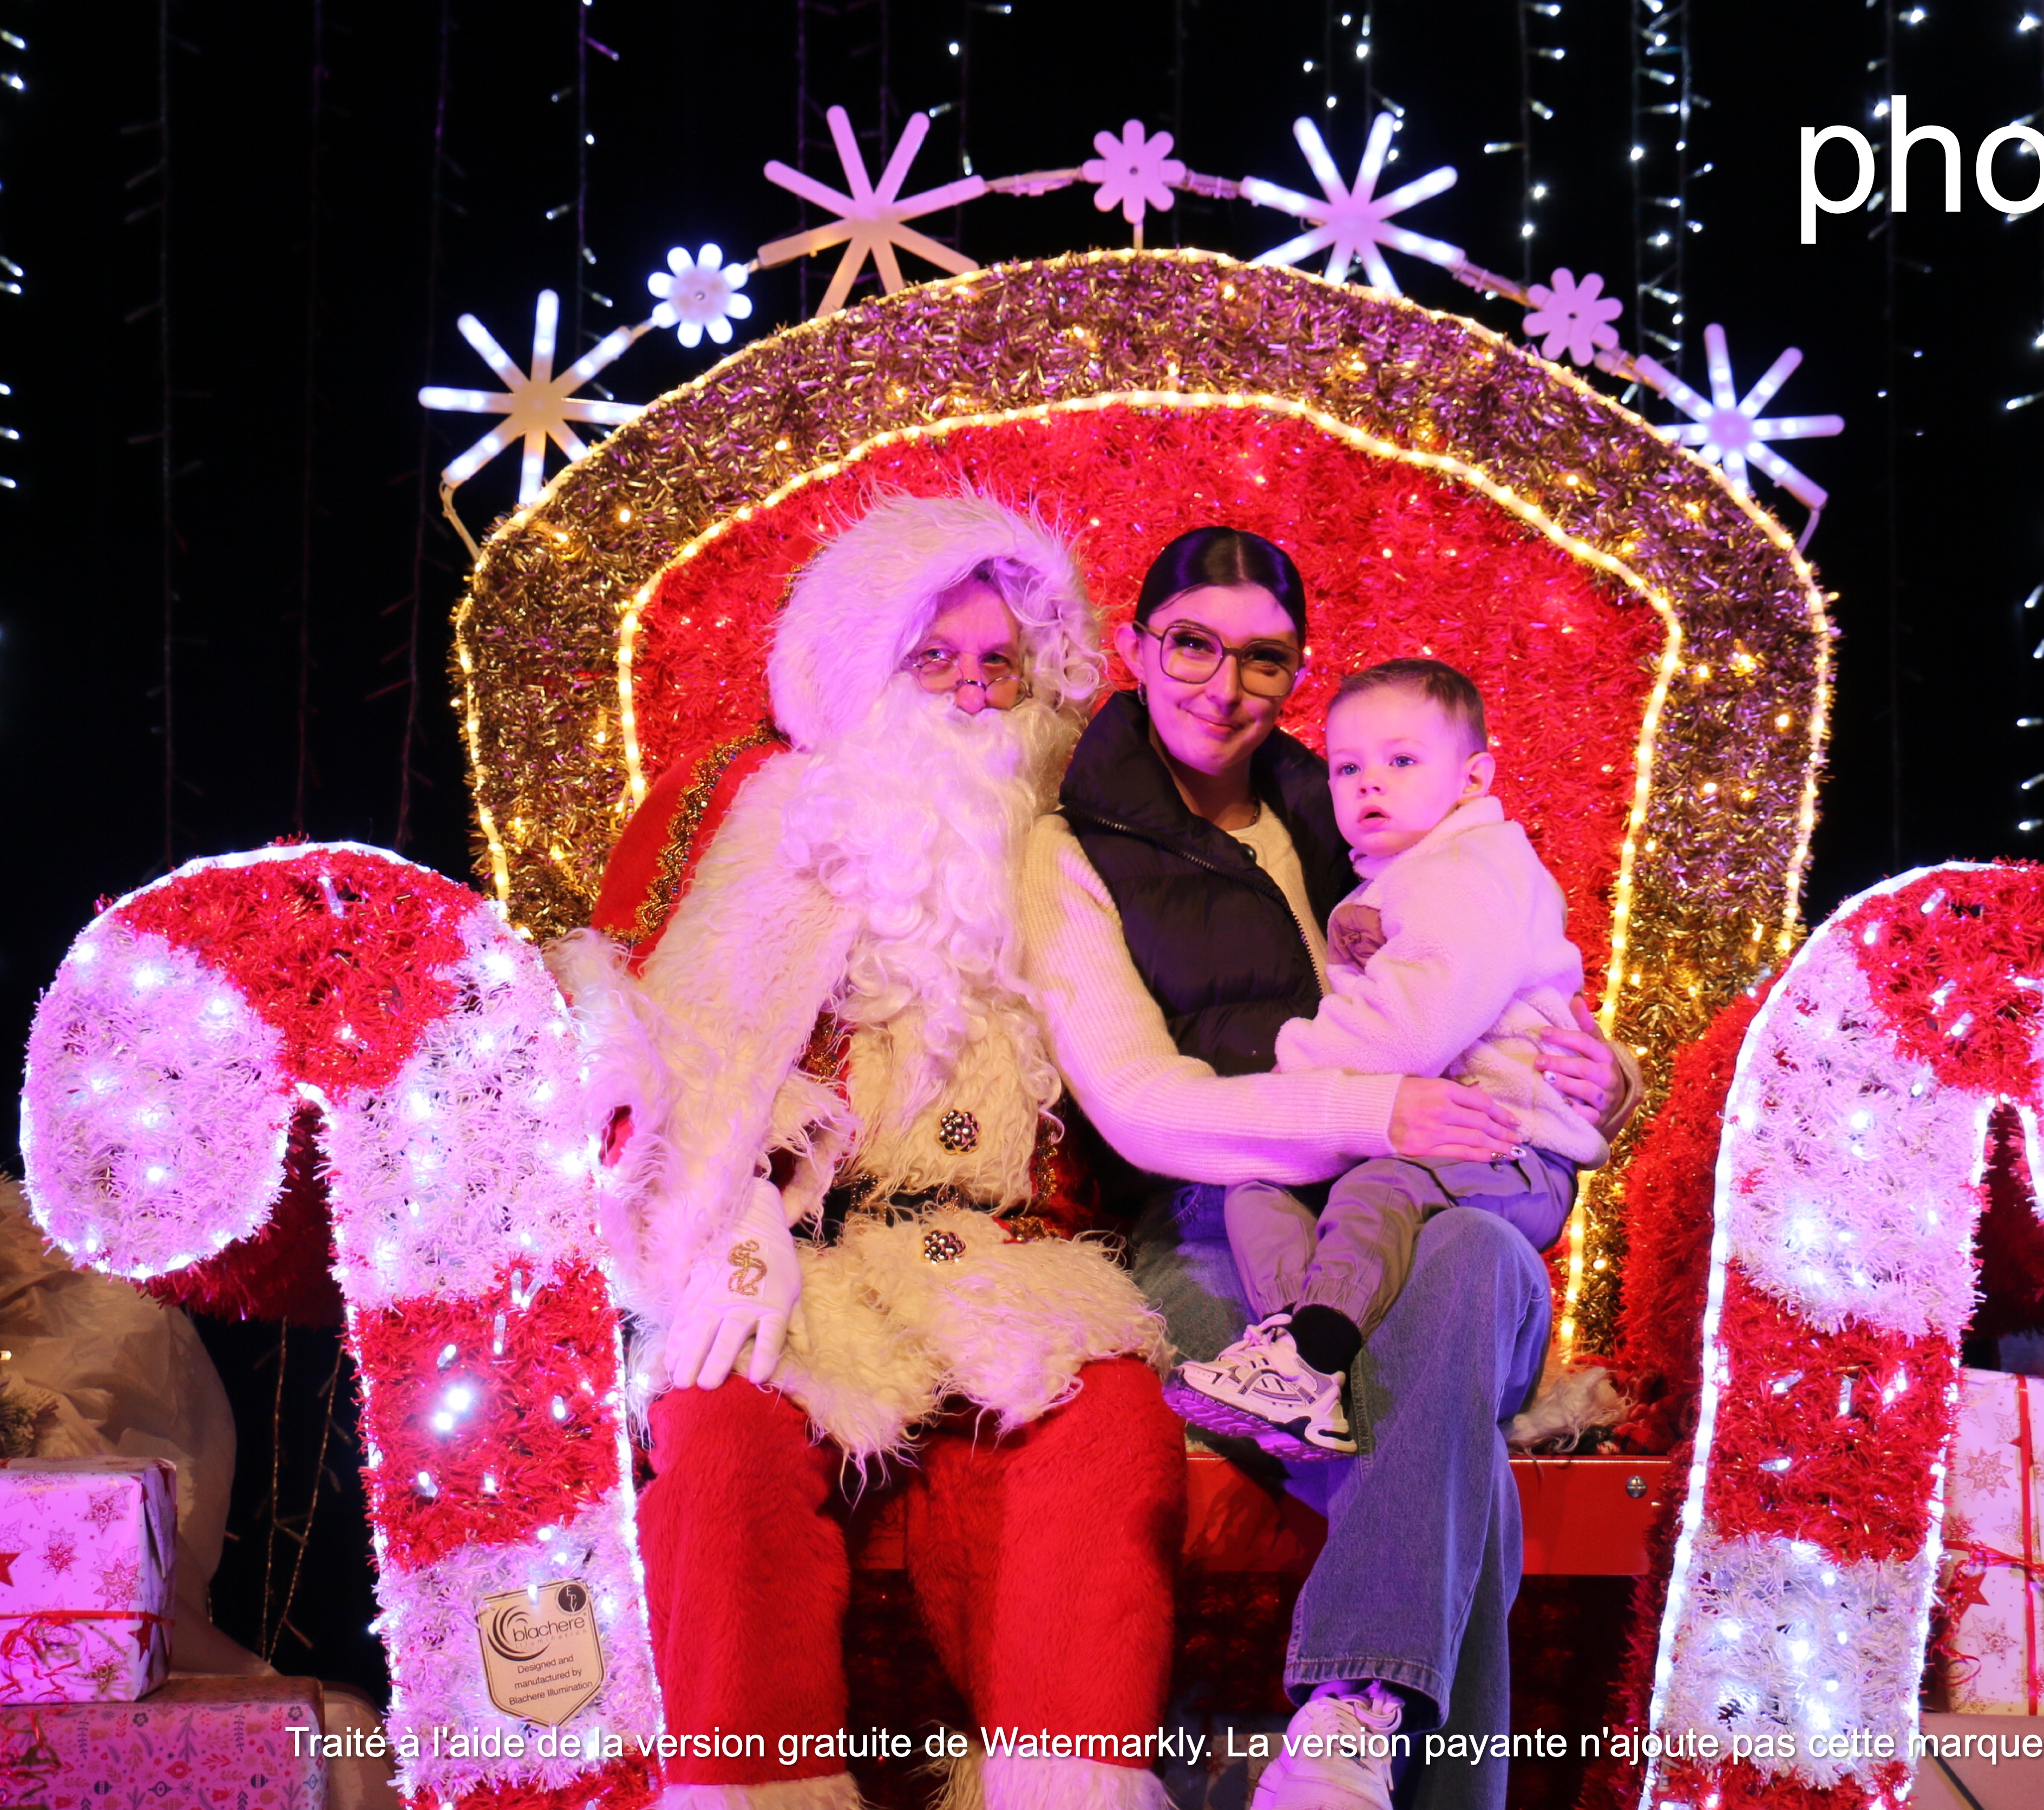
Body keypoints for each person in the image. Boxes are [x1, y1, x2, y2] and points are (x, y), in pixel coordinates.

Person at [567, 493, 1188, 1810]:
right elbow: (666, 1053)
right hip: (811, 1257)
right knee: (721, 1428)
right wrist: (734, 1224)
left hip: (1007, 1262)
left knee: (1110, 1423)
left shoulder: (1074, 842)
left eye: (997, 663)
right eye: (934, 656)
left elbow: (1187, 1046)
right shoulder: (762, 813)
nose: (967, 689)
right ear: (865, 666)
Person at [1020, 527, 1639, 1810]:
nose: (1224, 685)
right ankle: (1359, 1740)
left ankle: (1347, 1734)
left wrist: (1600, 1072)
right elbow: (1138, 1109)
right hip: (1224, 1223)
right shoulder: (1071, 848)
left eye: (1264, 658)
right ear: (1136, 647)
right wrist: (1374, 1108)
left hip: (1431, 1198)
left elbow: (1484, 969)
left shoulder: (1346, 802)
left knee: (1475, 1258)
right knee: (1448, 1409)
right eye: (1192, 644)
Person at [1165, 657, 1609, 1464]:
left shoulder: (1472, 872)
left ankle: (1313, 1354)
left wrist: (1286, 1082)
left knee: (1376, 1189)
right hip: (1416, 1135)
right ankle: (1295, 1351)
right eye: (1347, 767)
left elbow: (1411, 1029)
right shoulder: (1396, 877)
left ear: (1472, 778)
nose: (1369, 782)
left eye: (1402, 760)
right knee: (1258, 1177)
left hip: (1512, 1148)